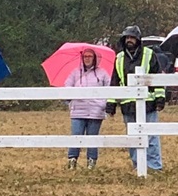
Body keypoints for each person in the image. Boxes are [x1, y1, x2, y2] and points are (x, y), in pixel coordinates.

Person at [105, 25, 165, 171]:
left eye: (132, 38)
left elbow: (157, 77)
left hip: (148, 102)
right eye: (127, 38)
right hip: (128, 105)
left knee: (151, 137)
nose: (129, 40)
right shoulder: (119, 58)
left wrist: (160, 97)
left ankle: (154, 167)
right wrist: (111, 103)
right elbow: (115, 81)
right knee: (132, 138)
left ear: (138, 40)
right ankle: (137, 165)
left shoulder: (149, 54)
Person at [64, 49, 110, 170]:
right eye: (85, 56)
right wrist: (70, 98)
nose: (87, 58)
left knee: (92, 137)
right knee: (76, 136)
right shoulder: (75, 73)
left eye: (90, 56)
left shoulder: (102, 73)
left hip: (96, 111)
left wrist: (103, 104)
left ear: (94, 58)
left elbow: (110, 89)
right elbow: (66, 87)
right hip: (78, 110)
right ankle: (72, 160)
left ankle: (91, 161)